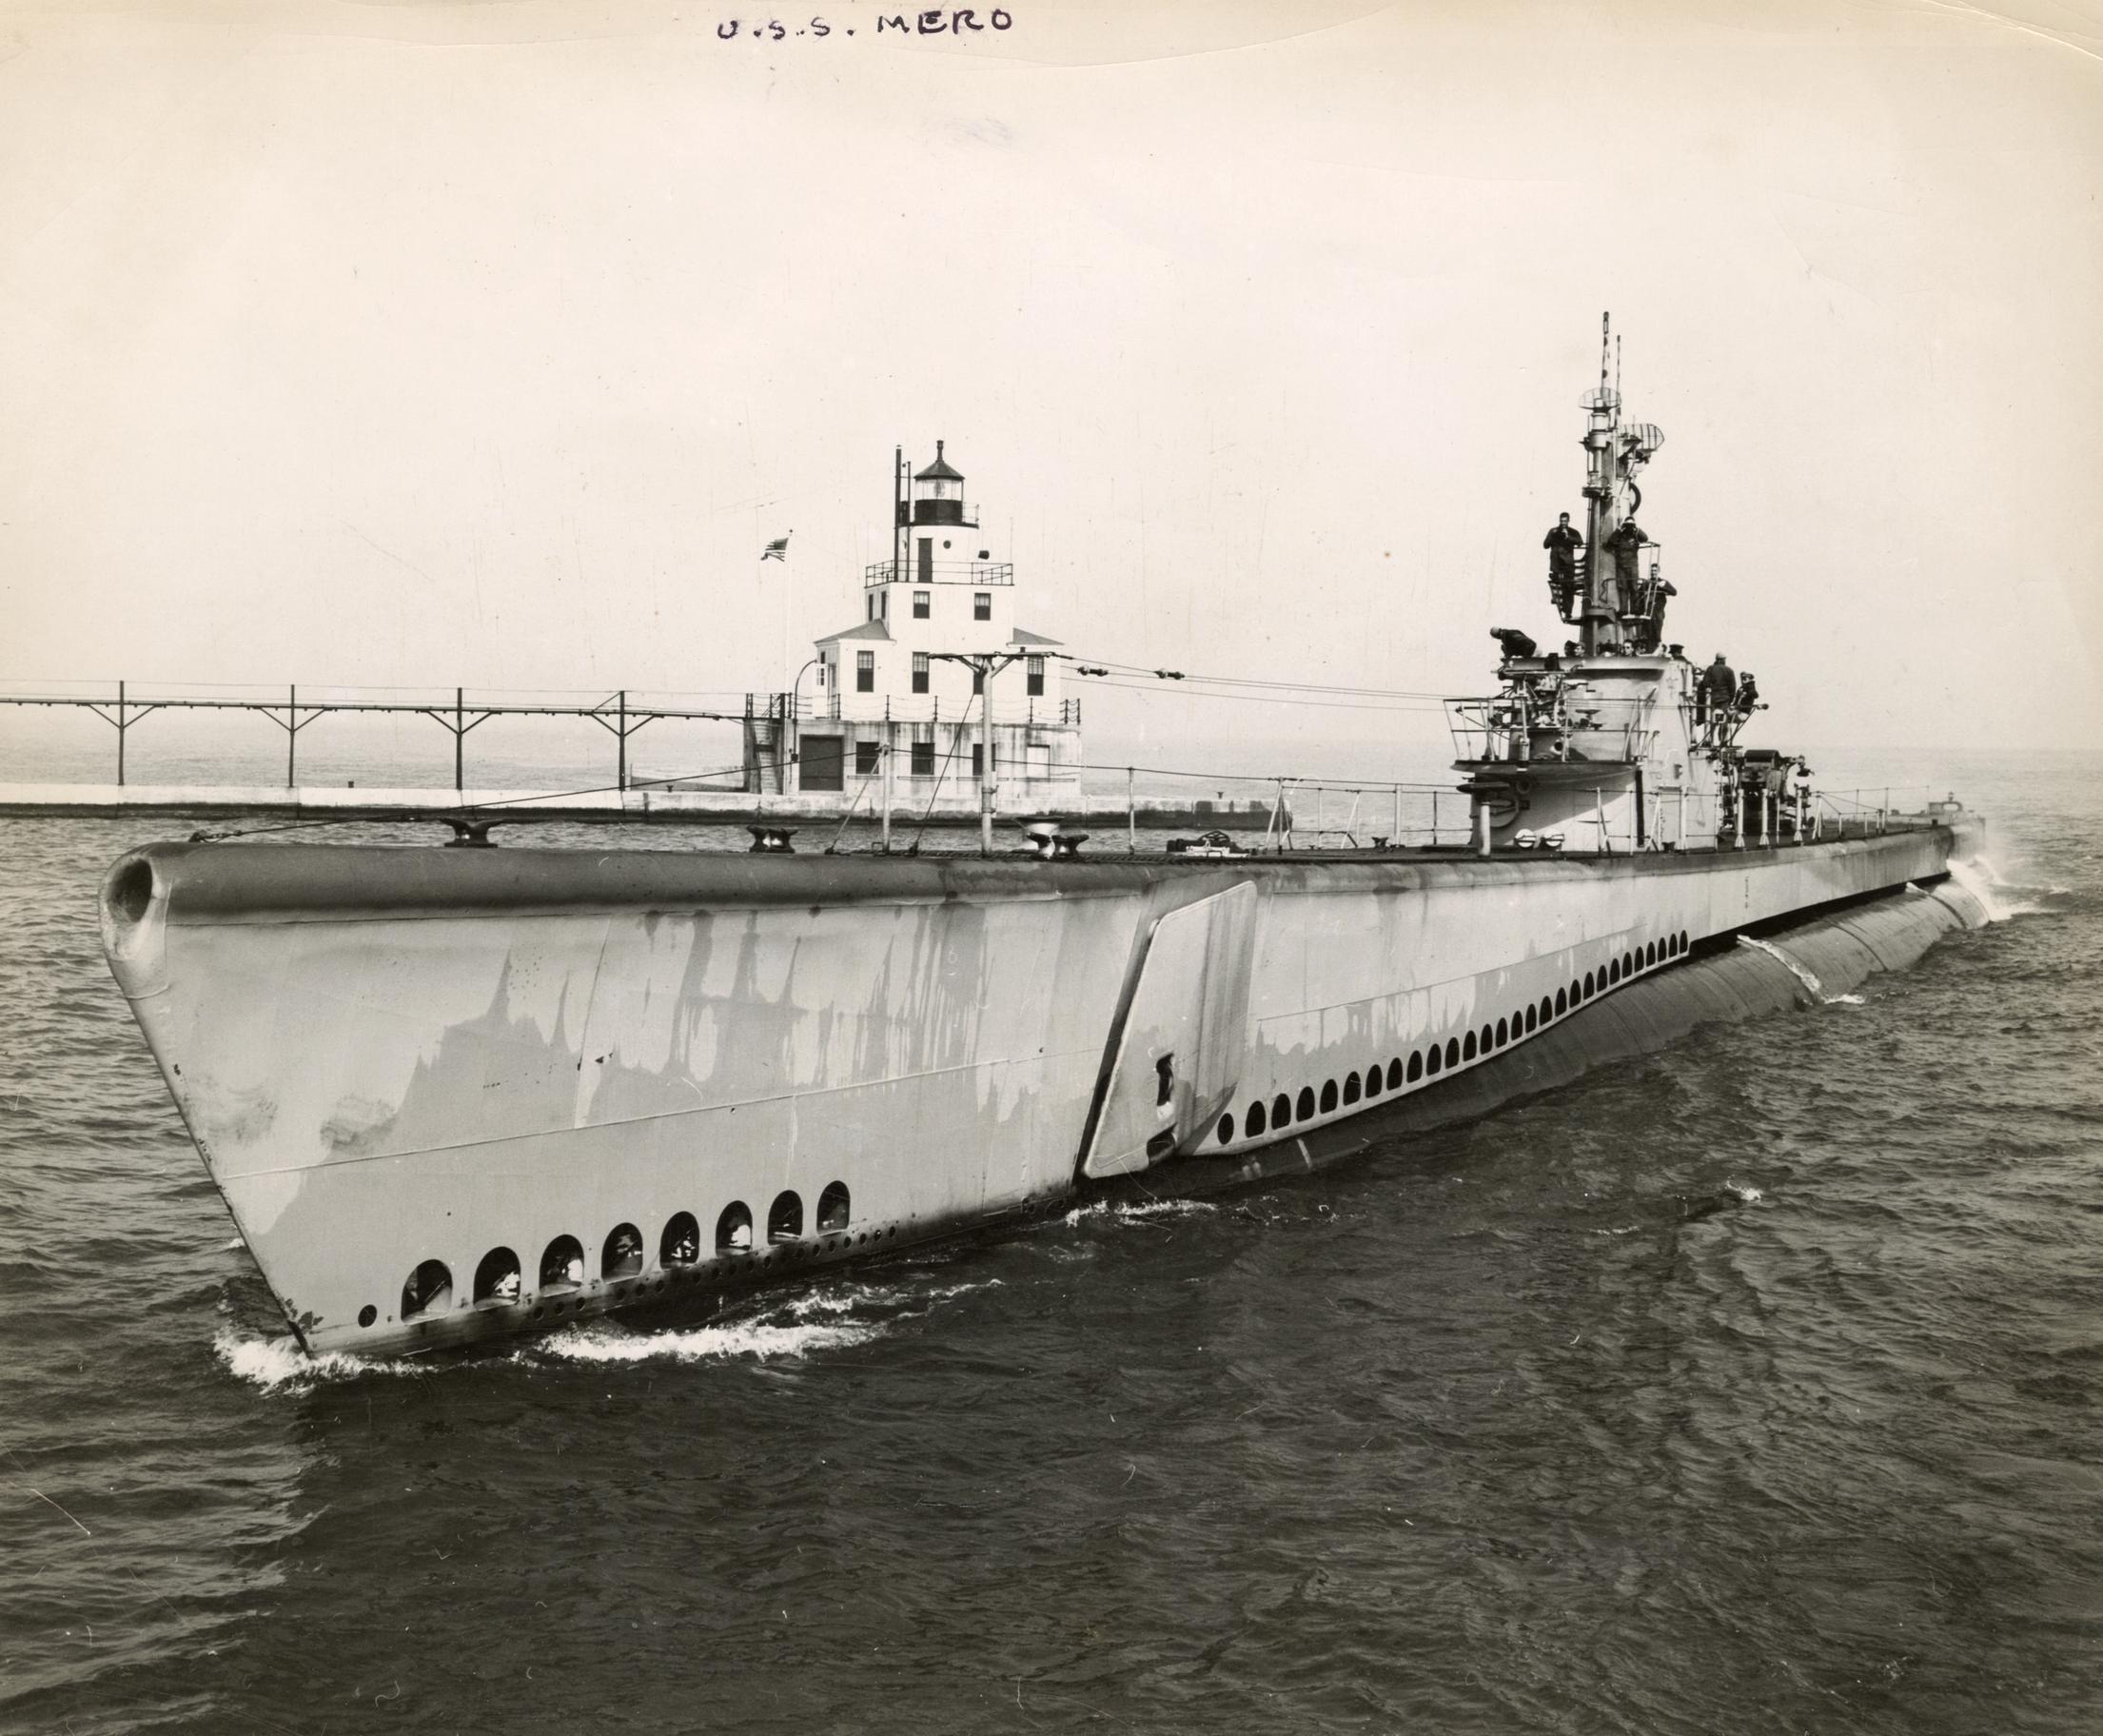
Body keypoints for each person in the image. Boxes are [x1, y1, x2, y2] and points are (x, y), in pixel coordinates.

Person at [1543, 513, 1582, 614]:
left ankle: (1568, 611)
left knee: (1569, 587)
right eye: (1561, 521)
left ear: (1568, 521)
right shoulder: (1553, 531)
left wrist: (1568, 537)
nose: (1563, 523)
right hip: (1557, 564)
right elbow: (1545, 545)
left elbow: (1579, 542)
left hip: (1568, 564)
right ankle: (1558, 600)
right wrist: (1554, 537)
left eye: (1565, 521)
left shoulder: (1573, 532)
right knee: (1560, 583)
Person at [1696, 652, 1736, 723]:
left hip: (1712, 698)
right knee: (1722, 720)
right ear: (1723, 660)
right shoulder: (1729, 670)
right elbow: (1732, 687)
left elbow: (1705, 683)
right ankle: (1722, 733)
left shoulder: (1711, 669)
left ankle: (1712, 733)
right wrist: (1731, 700)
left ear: (1716, 659)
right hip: (1724, 699)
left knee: (1711, 720)